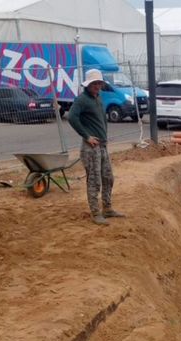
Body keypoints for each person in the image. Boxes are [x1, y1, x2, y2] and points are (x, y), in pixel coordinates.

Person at [68, 69, 124, 225]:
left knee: (108, 178)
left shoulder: (97, 98)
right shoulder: (82, 100)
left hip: (102, 145)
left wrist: (104, 137)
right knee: (94, 181)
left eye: (99, 83)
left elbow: (101, 120)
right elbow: (72, 118)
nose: (97, 86)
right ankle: (95, 213)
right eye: (94, 83)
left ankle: (107, 208)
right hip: (90, 147)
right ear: (88, 84)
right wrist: (86, 136)